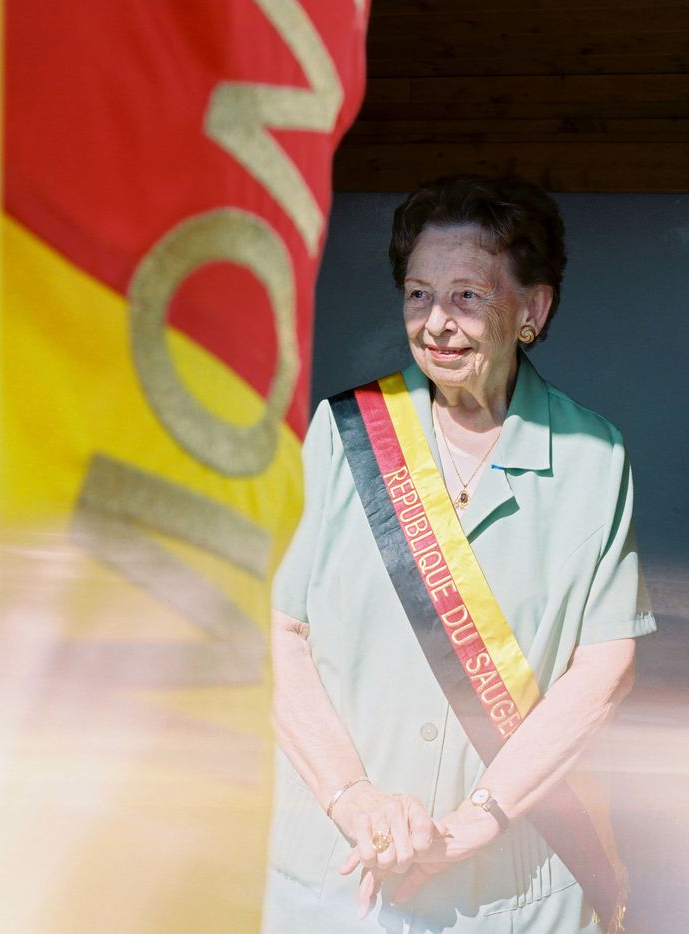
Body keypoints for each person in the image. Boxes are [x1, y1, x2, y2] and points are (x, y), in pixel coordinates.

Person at [262, 175, 656, 934]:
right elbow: (278, 633)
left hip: (514, 886)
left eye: (468, 296)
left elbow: (605, 669)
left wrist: (477, 822)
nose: (436, 323)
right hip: (339, 876)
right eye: (419, 294)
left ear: (533, 310)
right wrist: (354, 799)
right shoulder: (343, 435)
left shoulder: (593, 456)